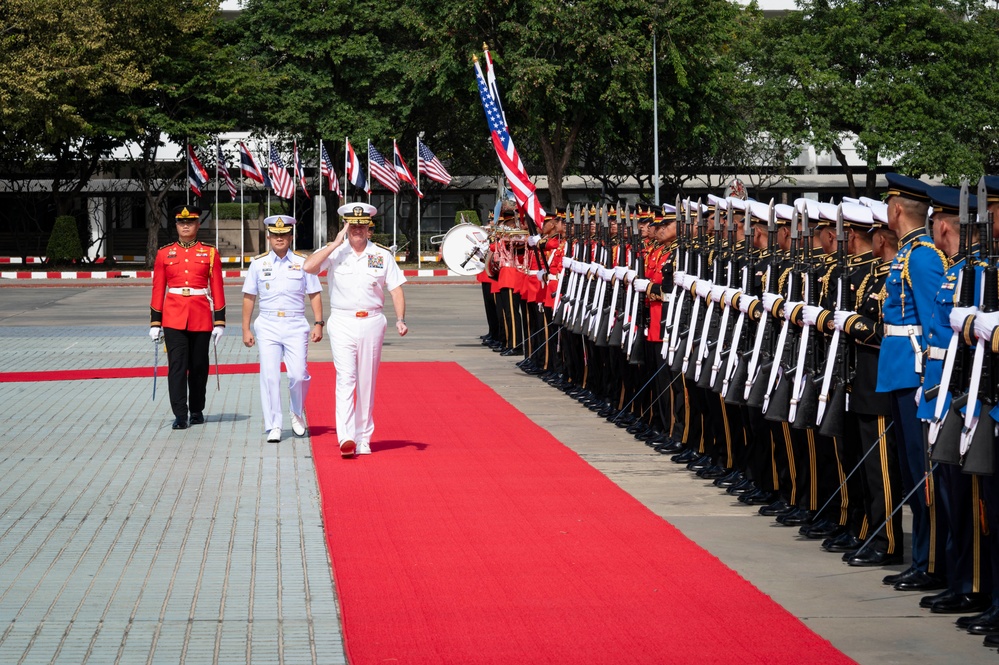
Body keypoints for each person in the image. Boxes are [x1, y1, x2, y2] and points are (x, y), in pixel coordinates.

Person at [303, 203, 408, 458]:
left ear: (369, 229)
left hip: (372, 321)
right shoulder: (336, 252)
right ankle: (346, 436)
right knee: (346, 377)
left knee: (366, 381)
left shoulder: (381, 255)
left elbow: (395, 288)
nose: (357, 230)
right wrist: (335, 241)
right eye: (353, 226)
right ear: (346, 228)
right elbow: (309, 267)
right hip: (342, 321)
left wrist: (400, 318)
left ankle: (363, 438)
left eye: (362, 226)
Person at [241, 215, 325, 443]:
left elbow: (314, 293)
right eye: (275, 235)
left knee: (298, 374)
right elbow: (249, 296)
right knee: (269, 376)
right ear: (268, 236)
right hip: (267, 324)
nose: (279, 239)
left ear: (291, 236)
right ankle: (274, 425)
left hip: (295, 324)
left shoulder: (303, 262)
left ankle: (296, 413)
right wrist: (245, 328)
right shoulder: (258, 263)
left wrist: (318, 323)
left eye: (284, 235)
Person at [149, 205, 226, 429]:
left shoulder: (209, 252)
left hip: (201, 316)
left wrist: (219, 321)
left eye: (190, 222)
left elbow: (217, 287)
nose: (185, 225)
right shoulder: (165, 253)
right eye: (181, 222)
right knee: (177, 367)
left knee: (199, 366)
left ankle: (197, 409)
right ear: (176, 225)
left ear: (197, 225)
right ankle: (180, 414)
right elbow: (158, 288)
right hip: (173, 318)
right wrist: (155, 322)